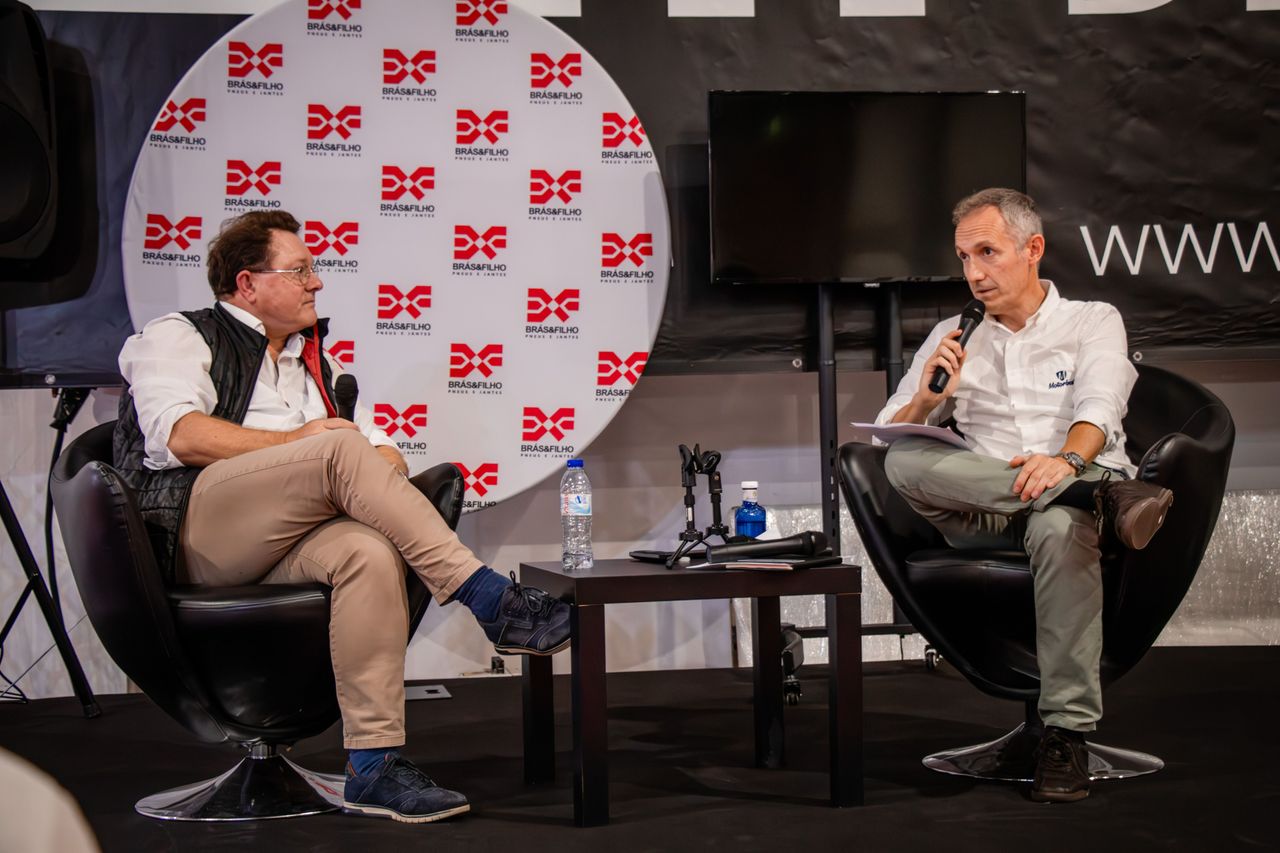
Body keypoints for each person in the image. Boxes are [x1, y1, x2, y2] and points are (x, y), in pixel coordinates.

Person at [115, 210, 571, 824]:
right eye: (300, 270)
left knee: (367, 553)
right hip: (197, 533)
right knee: (334, 446)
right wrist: (305, 444)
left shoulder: (314, 363)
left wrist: (368, 456)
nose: (317, 282)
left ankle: (372, 766)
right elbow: (180, 435)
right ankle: (491, 598)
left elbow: (381, 451)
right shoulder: (180, 335)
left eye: (313, 269)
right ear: (248, 284)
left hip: (282, 542)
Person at [874, 188, 1173, 803]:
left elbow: (1100, 406)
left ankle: (1065, 736)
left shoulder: (1092, 320)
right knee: (904, 459)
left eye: (988, 252)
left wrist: (1065, 462)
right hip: (985, 507)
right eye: (964, 257)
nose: (974, 272)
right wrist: (927, 400)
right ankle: (1096, 496)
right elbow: (888, 432)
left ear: (1032, 248)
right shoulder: (953, 333)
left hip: (1063, 483)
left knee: (1058, 527)